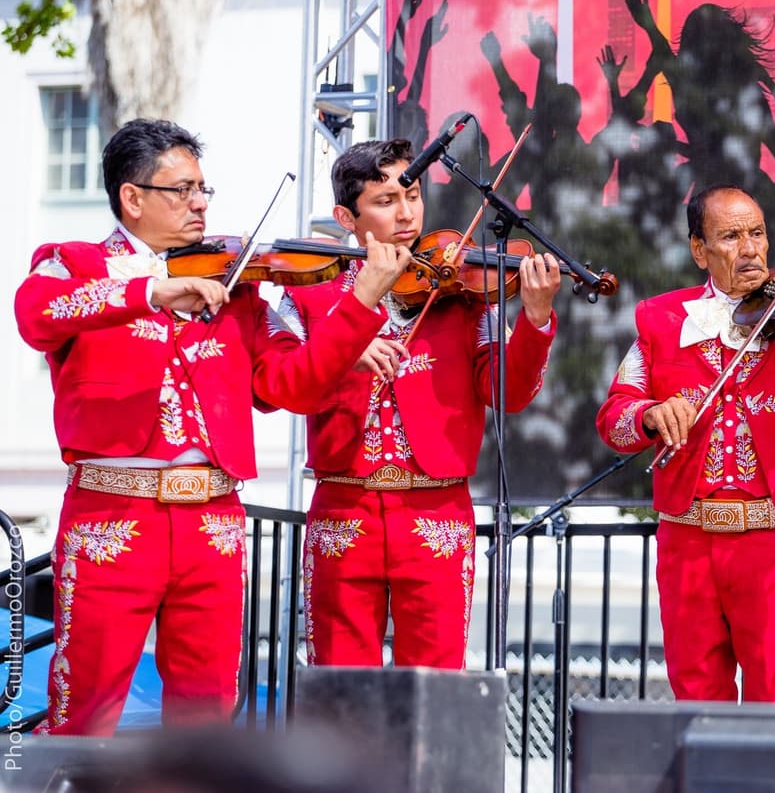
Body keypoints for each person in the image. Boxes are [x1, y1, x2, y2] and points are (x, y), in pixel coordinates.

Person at [13, 119, 410, 735]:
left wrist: (357, 307)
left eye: (204, 189)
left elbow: (292, 386)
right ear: (133, 197)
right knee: (82, 712)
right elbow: (37, 313)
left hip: (213, 522)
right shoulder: (77, 264)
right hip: (113, 517)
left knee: (206, 721)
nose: (200, 203)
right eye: (182, 190)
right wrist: (154, 291)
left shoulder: (239, 284)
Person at [595, 184, 775, 703]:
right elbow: (615, 418)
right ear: (699, 251)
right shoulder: (661, 320)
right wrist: (650, 415)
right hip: (687, 541)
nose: (750, 249)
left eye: (757, 234)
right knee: (694, 697)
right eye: (730, 237)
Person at [279, 139, 560, 667]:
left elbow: (509, 392)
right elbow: (285, 389)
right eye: (384, 201)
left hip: (436, 511)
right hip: (344, 509)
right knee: (341, 684)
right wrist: (343, 342)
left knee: (435, 684)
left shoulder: (462, 293)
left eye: (412, 194)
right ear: (346, 216)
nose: (406, 213)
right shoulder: (310, 294)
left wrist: (536, 318)